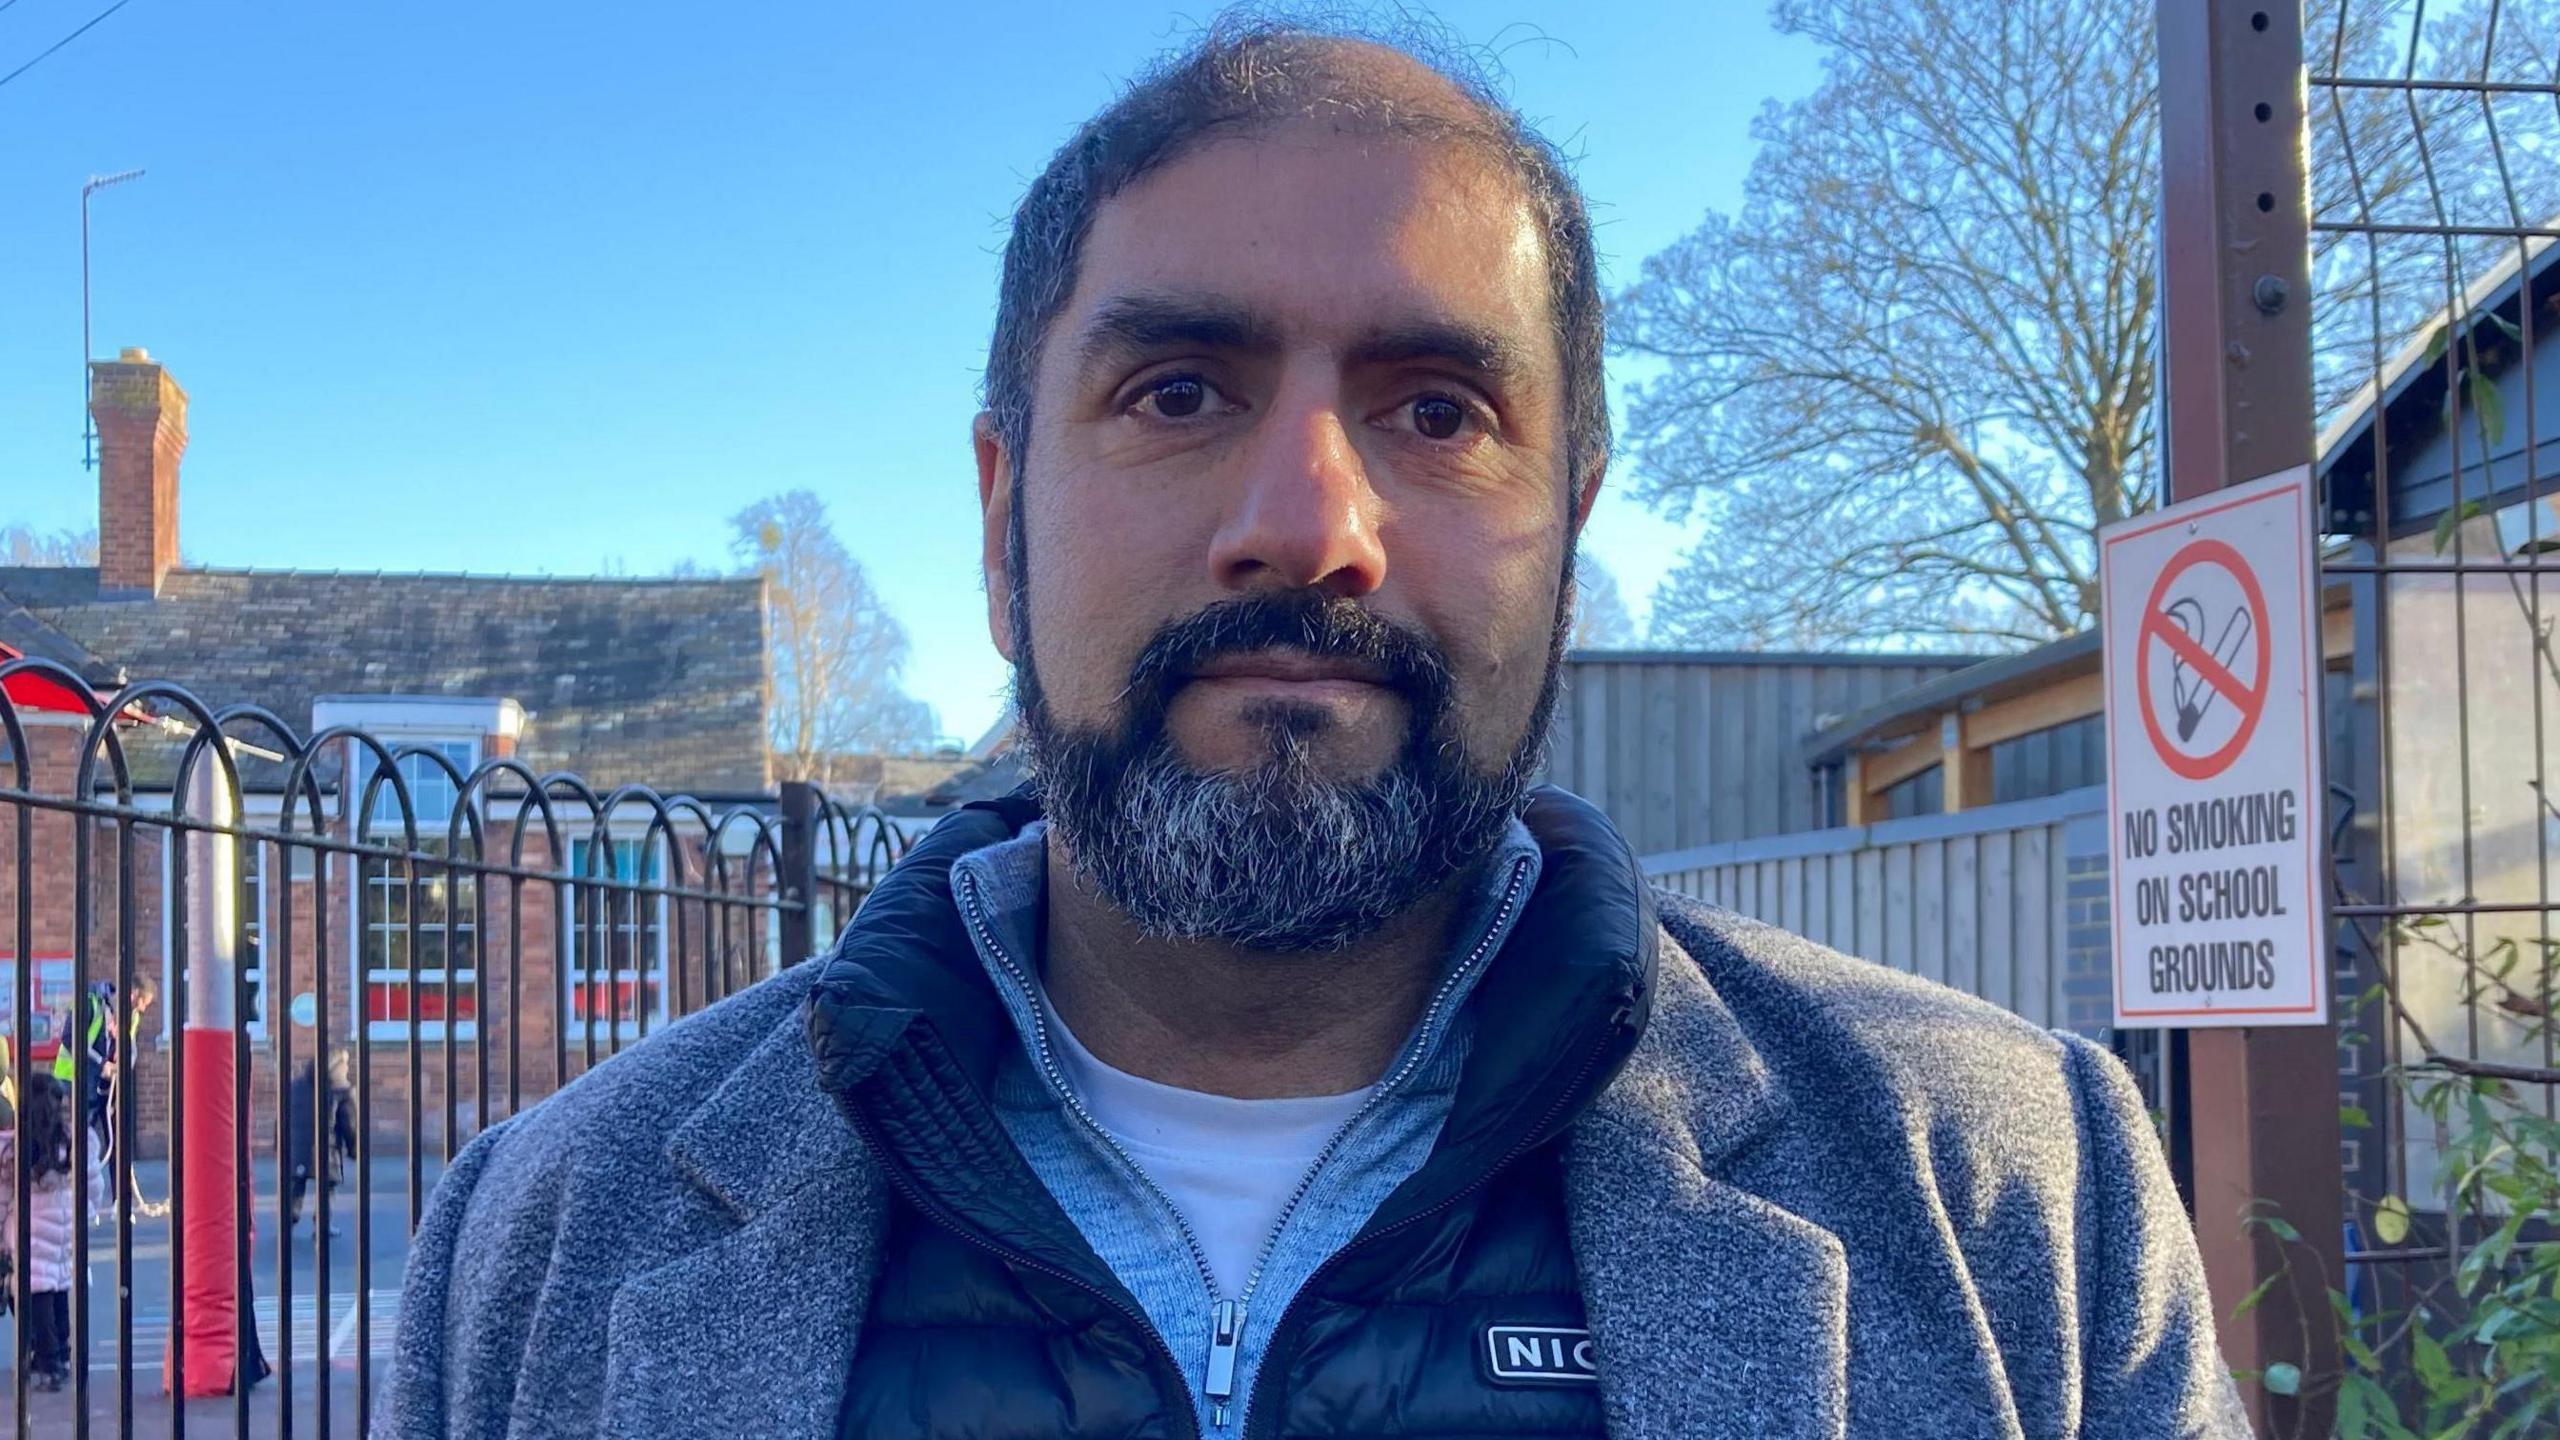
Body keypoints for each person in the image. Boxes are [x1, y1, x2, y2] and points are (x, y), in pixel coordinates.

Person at [386, 20, 2247, 1439]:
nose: (1310, 519)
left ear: (1570, 531)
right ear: (998, 513)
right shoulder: (553, 1236)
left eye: (1437, 411)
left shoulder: (2013, 1196)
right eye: (1178, 388)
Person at [3, 1074, 104, 1392]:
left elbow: (4, 1194)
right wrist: (83, 1215)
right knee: (59, 1285)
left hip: (29, 1227)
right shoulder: (73, 1142)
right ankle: (64, 1352)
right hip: (64, 1225)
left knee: (37, 1292)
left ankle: (49, 1360)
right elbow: (93, 1186)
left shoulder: (18, 1146)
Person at [284, 1049, 357, 1235]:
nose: (347, 1067)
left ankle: (288, 1222)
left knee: (296, 1184)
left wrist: (281, 1144)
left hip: (297, 1146)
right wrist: (354, 1149)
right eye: (345, 1063)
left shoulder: (296, 1085)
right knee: (326, 1188)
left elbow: (283, 1117)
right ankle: (322, 1226)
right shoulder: (342, 1091)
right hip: (326, 1148)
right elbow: (349, 1124)